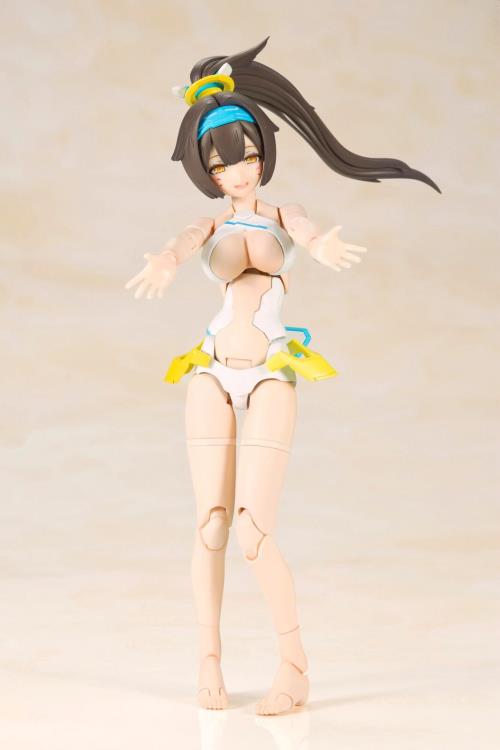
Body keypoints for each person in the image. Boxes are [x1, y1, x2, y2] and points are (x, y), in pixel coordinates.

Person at [125, 37, 439, 715]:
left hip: (270, 370)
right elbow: (184, 242)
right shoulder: (210, 221)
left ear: (263, 152)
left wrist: (320, 244)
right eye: (221, 164)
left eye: (245, 157)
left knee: (253, 530)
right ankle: (208, 661)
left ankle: (293, 668)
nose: (237, 172)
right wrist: (165, 260)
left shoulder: (279, 214)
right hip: (211, 369)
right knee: (210, 523)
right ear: (206, 172)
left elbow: (306, 227)